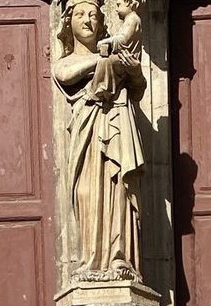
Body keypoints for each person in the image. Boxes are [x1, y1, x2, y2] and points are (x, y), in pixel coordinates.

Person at [53, 0, 145, 280]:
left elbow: (138, 90)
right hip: (87, 134)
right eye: (80, 14)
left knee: (118, 190)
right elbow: (66, 74)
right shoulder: (66, 62)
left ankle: (120, 261)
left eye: (93, 15)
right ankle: (92, 262)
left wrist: (134, 71)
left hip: (118, 125)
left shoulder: (113, 54)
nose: (87, 20)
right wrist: (107, 55)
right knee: (87, 193)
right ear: (68, 21)